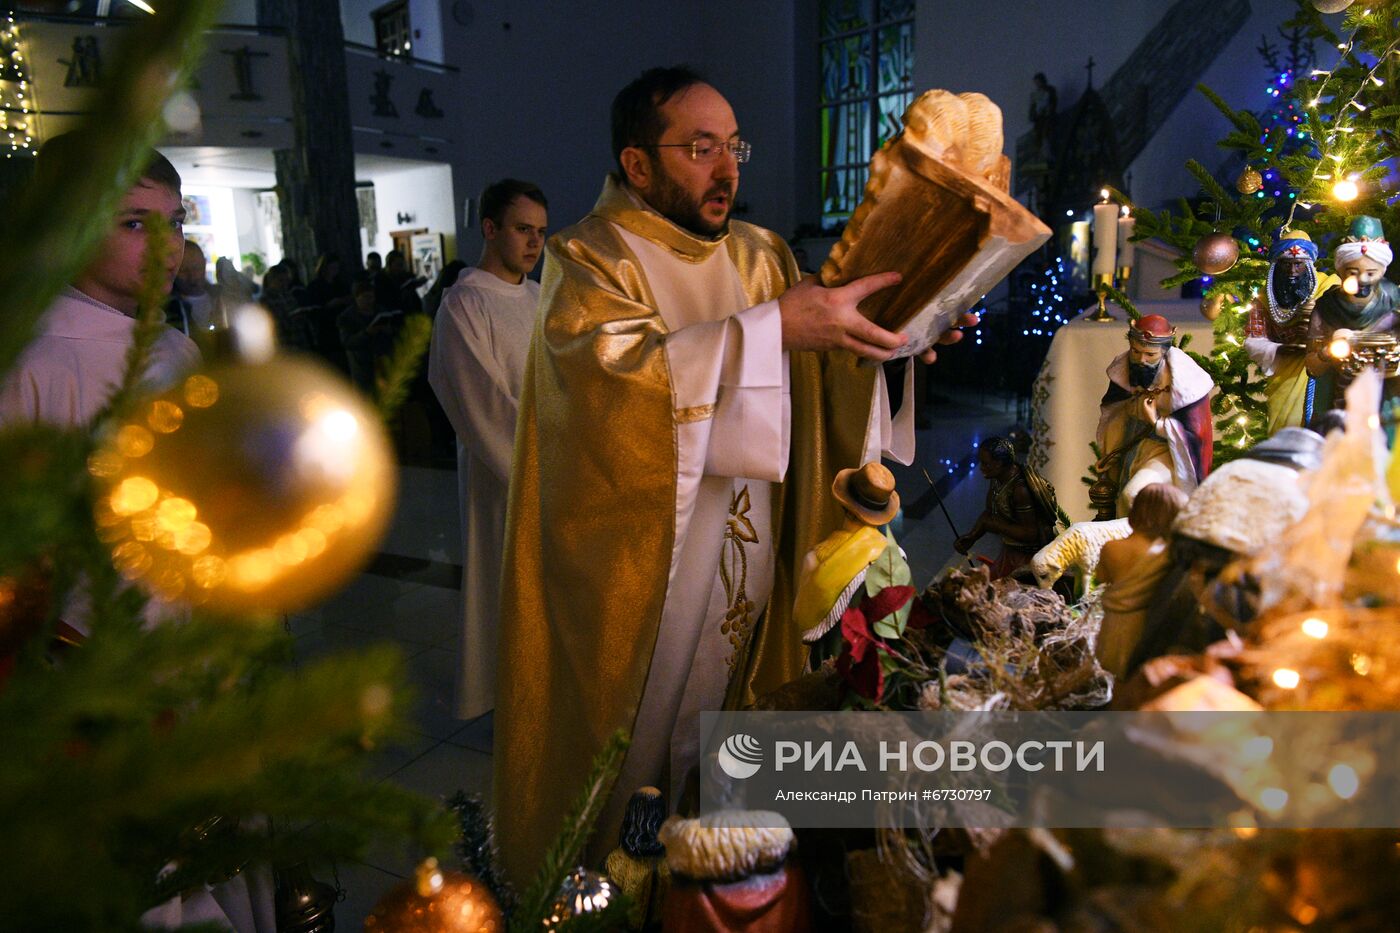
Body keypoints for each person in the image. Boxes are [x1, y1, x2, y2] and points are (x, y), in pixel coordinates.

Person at [494, 65, 974, 884]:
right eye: (701, 148)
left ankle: (728, 877)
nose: (728, 171)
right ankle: (615, 888)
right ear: (637, 164)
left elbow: (819, 368)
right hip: (649, 570)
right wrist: (772, 328)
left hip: (751, 559)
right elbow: (611, 389)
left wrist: (890, 341)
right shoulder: (588, 257)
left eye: (734, 147)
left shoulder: (761, 254)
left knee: (736, 732)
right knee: (641, 753)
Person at [427, 178, 548, 721]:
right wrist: (541, 465)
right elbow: (479, 402)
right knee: (508, 593)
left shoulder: (541, 296)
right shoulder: (464, 305)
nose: (534, 243)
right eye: (523, 230)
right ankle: (515, 712)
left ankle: (548, 707)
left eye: (542, 233)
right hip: (505, 476)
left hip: (556, 468)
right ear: (490, 228)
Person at [1, 142, 199, 428]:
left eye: (173, 224)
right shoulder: (25, 362)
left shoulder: (180, 348)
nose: (167, 246)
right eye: (134, 224)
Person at [1092, 314, 1215, 519]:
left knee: (1134, 495)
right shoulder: (1125, 370)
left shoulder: (1186, 380)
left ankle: (1144, 545)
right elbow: (1114, 413)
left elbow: (1193, 434)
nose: (1141, 360)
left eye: (1150, 354)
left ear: (1164, 352)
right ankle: (1125, 545)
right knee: (1124, 498)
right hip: (1135, 448)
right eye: (1136, 352)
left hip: (1170, 453)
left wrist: (1157, 423)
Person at [1305, 215, 1400, 418]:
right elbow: (1313, 367)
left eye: (1371, 273)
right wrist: (1330, 351)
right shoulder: (1327, 306)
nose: (1362, 280)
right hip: (1340, 396)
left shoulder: (1395, 300)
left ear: (1382, 271)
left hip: (1387, 396)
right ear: (1341, 271)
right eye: (1353, 272)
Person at [1245, 230, 1337, 432]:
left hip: (1324, 368)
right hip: (1285, 375)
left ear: (1309, 265)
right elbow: (1253, 339)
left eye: (1299, 264)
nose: (1292, 271)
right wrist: (1282, 350)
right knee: (1285, 428)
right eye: (1286, 264)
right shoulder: (1263, 299)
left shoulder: (1329, 288)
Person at [1093, 483, 1188, 679]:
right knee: (1134, 673)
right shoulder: (1166, 554)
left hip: (1112, 623)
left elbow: (1102, 578)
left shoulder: (1111, 547)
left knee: (1110, 671)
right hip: (1145, 624)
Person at [955, 436, 1059, 579]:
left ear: (999, 463)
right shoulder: (998, 480)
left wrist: (995, 525)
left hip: (1028, 559)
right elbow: (990, 514)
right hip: (1010, 551)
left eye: (986, 464)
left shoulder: (1020, 490)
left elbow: (1030, 533)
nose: (981, 468)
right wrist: (973, 536)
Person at [336, 276, 397, 395]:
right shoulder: (346, 317)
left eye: (371, 297)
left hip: (383, 362)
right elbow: (347, 342)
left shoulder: (380, 310)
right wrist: (366, 333)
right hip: (362, 364)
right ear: (357, 298)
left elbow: (394, 332)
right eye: (365, 297)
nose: (369, 301)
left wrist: (389, 330)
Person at [167, 238, 217, 336]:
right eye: (184, 270)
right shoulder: (167, 309)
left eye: (196, 268)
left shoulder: (222, 298)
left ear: (205, 264)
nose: (192, 276)